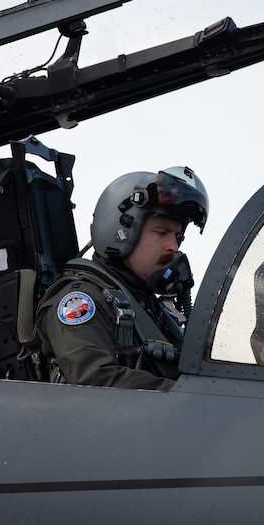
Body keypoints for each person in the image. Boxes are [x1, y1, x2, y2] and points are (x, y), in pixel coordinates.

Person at [32, 166, 208, 390]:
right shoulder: (82, 299)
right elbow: (95, 380)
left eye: (178, 237)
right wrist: (190, 397)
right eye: (161, 233)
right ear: (120, 232)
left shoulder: (156, 311)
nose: (173, 247)